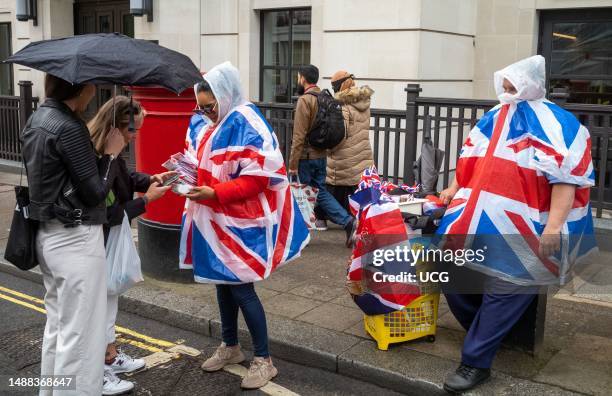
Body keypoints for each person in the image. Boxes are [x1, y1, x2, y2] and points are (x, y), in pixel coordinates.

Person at [436, 55, 596, 393]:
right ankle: (489, 333)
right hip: (478, 220)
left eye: (513, 85)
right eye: (504, 84)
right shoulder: (494, 117)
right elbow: (470, 159)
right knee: (453, 278)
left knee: (507, 288)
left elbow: (567, 180)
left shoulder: (560, 124)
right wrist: (453, 187)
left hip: (529, 228)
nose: (506, 90)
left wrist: (553, 227)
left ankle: (476, 361)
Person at [180, 62, 310, 389]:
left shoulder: (248, 122)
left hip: (240, 221)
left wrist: (215, 191)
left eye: (209, 106)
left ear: (225, 95)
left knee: (241, 287)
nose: (205, 112)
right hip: (213, 214)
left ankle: (264, 360)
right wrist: (182, 174)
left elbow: (259, 179)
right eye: (200, 107)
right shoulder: (213, 121)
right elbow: (201, 159)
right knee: (221, 283)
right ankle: (231, 347)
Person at [21, 74, 125, 395]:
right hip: (76, 239)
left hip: (47, 236)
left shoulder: (38, 119)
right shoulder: (69, 127)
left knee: (59, 328)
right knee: (81, 336)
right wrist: (110, 154)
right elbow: (95, 192)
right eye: (92, 84)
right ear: (79, 88)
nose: (95, 90)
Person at [88, 96, 173, 395]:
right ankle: (95, 372)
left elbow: (124, 180)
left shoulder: (113, 153)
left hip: (109, 238)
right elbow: (105, 211)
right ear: (116, 127)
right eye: (133, 129)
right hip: (96, 239)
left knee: (110, 299)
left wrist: (151, 178)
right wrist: (146, 200)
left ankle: (109, 357)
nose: (136, 135)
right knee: (98, 307)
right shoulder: (98, 157)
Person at [288, 64, 355, 246]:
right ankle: (348, 222)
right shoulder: (325, 97)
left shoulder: (305, 100)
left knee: (300, 195)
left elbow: (299, 135)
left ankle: (300, 235)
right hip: (321, 156)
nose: (298, 80)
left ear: (303, 78)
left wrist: (293, 163)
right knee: (319, 193)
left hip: (306, 158)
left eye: (298, 77)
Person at [313, 70, 374, 230]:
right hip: (361, 153)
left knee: (329, 187)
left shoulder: (342, 106)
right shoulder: (363, 102)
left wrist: (329, 148)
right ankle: (360, 219)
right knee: (355, 189)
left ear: (338, 87)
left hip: (343, 156)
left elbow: (340, 133)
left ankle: (321, 218)